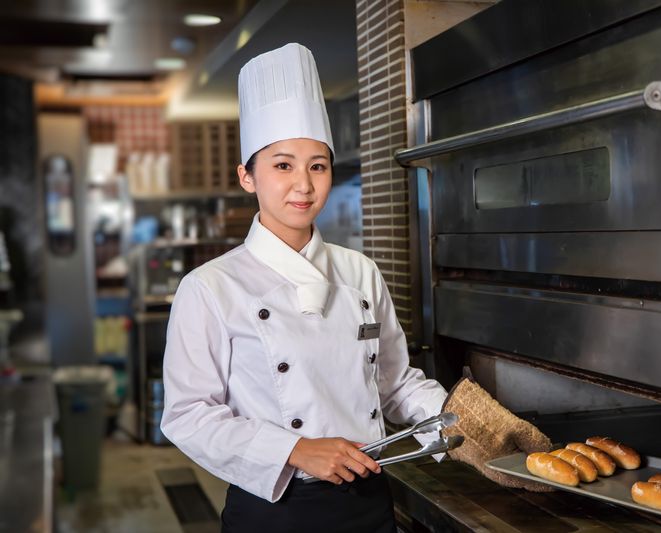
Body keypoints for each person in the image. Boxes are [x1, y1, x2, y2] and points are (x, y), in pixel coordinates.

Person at [160, 43, 448, 533]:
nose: (304, 185)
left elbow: (394, 383)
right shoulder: (209, 287)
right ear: (247, 176)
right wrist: (294, 449)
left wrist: (459, 418)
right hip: (276, 509)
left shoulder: (360, 272)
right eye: (282, 165)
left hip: (370, 501)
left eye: (318, 165)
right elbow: (187, 415)